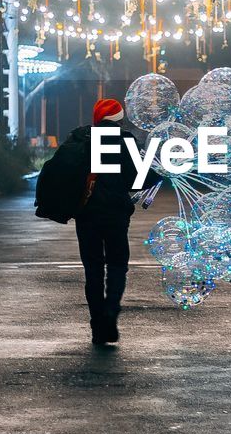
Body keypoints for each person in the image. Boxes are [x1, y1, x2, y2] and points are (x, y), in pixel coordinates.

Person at [68, 97, 161, 346]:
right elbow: (137, 180)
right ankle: (111, 311)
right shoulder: (126, 141)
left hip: (87, 215)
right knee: (118, 265)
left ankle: (97, 324)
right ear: (119, 120)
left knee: (93, 268)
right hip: (117, 215)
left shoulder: (81, 140)